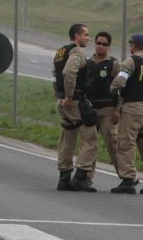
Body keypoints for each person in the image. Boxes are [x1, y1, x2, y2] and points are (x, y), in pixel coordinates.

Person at [110, 34, 143, 195]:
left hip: (132, 109)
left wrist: (111, 89)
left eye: (131, 45)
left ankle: (128, 180)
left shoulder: (131, 61)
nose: (130, 47)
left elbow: (120, 80)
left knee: (125, 144)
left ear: (134, 45)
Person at [53, 23, 98, 192]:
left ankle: (64, 177)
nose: (88, 38)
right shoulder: (77, 52)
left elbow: (55, 75)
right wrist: (70, 96)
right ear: (77, 36)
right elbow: (68, 72)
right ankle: (80, 176)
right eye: (86, 34)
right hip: (75, 101)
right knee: (91, 139)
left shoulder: (60, 52)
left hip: (62, 101)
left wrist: (61, 97)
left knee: (68, 138)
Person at [85, 31, 120, 181]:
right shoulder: (88, 63)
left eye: (104, 44)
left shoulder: (114, 64)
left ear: (109, 47)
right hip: (90, 110)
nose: (100, 46)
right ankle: (86, 177)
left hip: (108, 111)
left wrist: (118, 109)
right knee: (89, 145)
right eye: (98, 43)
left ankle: (126, 177)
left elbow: (122, 88)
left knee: (113, 144)